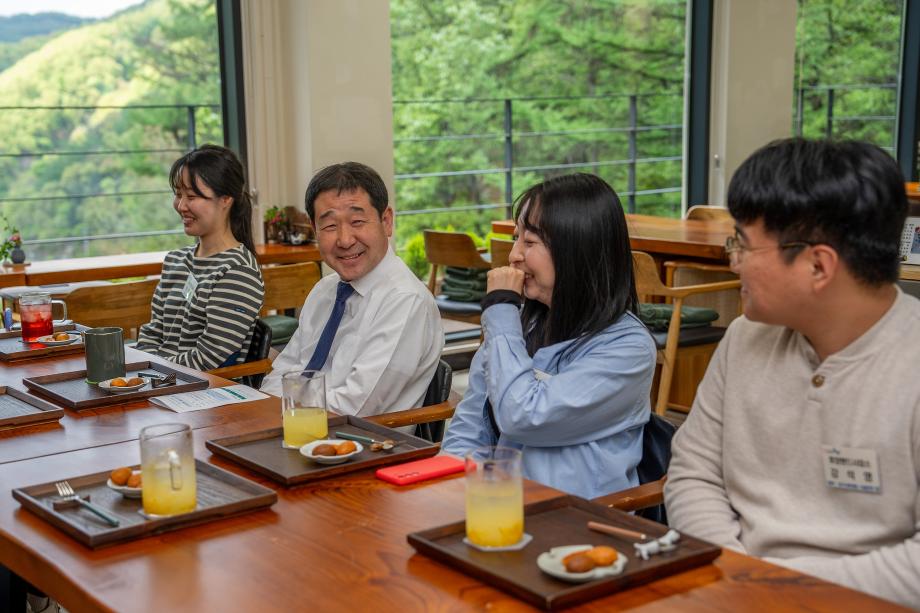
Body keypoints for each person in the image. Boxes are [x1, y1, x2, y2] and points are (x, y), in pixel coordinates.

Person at [664, 138, 920, 608]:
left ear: (818, 265)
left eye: (742, 243)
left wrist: (771, 588)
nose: (732, 259)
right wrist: (734, 575)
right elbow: (693, 474)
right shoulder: (744, 338)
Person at [441, 173, 656, 499]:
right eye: (516, 238)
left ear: (577, 249)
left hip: (575, 517)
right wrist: (445, 487)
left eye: (529, 242)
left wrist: (501, 311)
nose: (514, 255)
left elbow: (522, 416)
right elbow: (470, 425)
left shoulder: (628, 348)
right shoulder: (521, 325)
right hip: (502, 504)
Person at [260, 162, 442, 417]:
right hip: (293, 426)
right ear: (314, 229)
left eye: (357, 221)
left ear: (386, 221)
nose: (345, 240)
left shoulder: (405, 301)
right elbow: (284, 371)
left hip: (356, 438)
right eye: (330, 226)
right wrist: (271, 412)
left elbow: (356, 407)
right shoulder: (325, 291)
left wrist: (285, 408)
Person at [136, 144, 264, 370]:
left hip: (199, 387)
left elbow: (208, 357)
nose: (181, 206)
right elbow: (152, 333)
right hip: (160, 378)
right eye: (178, 194)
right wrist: (144, 368)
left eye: (192, 196)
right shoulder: (175, 261)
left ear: (226, 199)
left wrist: (152, 369)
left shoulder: (237, 271)